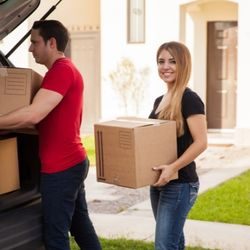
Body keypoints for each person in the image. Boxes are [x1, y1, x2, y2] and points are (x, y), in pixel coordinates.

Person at [0, 20, 101, 250]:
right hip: (71, 162)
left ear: (51, 42)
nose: (30, 48)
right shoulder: (59, 72)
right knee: (80, 226)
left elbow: (33, 115)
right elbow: (43, 122)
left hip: (61, 168)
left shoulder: (62, 71)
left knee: (55, 236)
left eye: (34, 42)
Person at [149, 41, 207, 250]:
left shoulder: (190, 99)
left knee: (165, 245)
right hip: (159, 182)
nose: (165, 66)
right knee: (173, 242)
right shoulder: (159, 101)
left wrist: (172, 167)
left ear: (183, 64)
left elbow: (201, 143)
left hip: (180, 184)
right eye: (161, 61)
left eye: (172, 61)